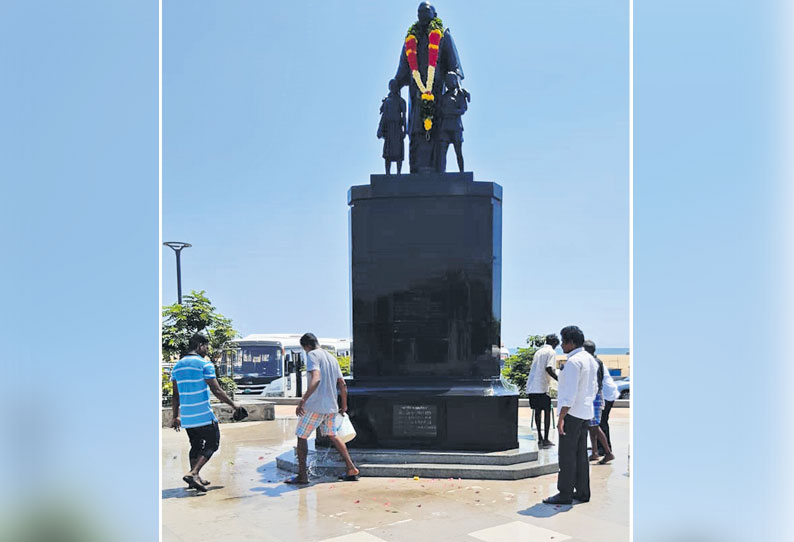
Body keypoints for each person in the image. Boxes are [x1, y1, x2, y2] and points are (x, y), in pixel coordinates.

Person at [393, 2, 464, 172]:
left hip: (437, 92)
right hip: (416, 93)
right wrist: (396, 82)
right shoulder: (411, 39)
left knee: (436, 132)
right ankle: (417, 171)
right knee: (417, 131)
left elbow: (454, 66)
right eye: (419, 12)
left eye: (426, 11)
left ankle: (436, 171)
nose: (422, 15)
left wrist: (456, 85)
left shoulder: (442, 35)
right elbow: (404, 68)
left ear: (434, 14)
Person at [285, 333, 360, 485]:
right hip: (332, 406)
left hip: (315, 406)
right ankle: (351, 468)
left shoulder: (312, 355)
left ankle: (302, 476)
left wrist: (303, 401)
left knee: (301, 436)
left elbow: (316, 379)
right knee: (333, 435)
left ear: (306, 346)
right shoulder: (332, 358)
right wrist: (344, 405)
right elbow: (342, 384)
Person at [171, 333, 241, 492]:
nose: (207, 350)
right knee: (213, 443)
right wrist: (233, 404)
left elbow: (176, 395)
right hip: (203, 415)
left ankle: (193, 479)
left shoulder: (177, 366)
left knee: (195, 445)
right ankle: (194, 472)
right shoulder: (204, 364)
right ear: (199, 345)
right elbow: (216, 390)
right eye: (206, 346)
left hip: (188, 417)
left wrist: (176, 416)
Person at [543, 325, 598, 505]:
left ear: (571, 342)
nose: (562, 346)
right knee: (581, 454)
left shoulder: (574, 362)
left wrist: (561, 418)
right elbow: (595, 387)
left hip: (572, 413)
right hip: (585, 412)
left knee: (567, 455)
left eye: (564, 342)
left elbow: (569, 393)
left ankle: (565, 493)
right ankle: (583, 491)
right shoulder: (590, 359)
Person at [583, 340, 615, 464]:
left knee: (595, 425)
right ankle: (595, 452)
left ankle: (608, 452)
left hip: (595, 396)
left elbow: (597, 382)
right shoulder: (595, 361)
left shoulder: (594, 362)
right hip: (595, 395)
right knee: (591, 426)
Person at [525, 334, 559, 449]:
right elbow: (549, 368)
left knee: (537, 412)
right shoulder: (551, 352)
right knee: (547, 412)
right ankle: (546, 439)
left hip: (532, 386)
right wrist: (559, 379)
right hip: (542, 387)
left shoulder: (538, 352)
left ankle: (539, 437)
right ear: (555, 343)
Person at [436, 71, 470, 173]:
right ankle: (442, 172)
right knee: (442, 151)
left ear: (455, 81)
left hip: (456, 126)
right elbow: (440, 110)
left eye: (450, 80)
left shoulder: (460, 95)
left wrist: (451, 112)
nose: (448, 83)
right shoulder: (444, 97)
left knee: (458, 151)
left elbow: (463, 109)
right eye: (447, 81)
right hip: (445, 126)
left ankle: (461, 172)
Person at [377, 79, 407, 175]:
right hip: (389, 128)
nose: (393, 88)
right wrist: (381, 129)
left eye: (395, 86)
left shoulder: (401, 101)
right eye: (391, 86)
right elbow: (384, 116)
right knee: (388, 153)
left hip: (397, 128)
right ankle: (387, 173)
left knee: (398, 153)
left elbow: (404, 116)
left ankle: (399, 172)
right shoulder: (387, 101)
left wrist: (405, 130)